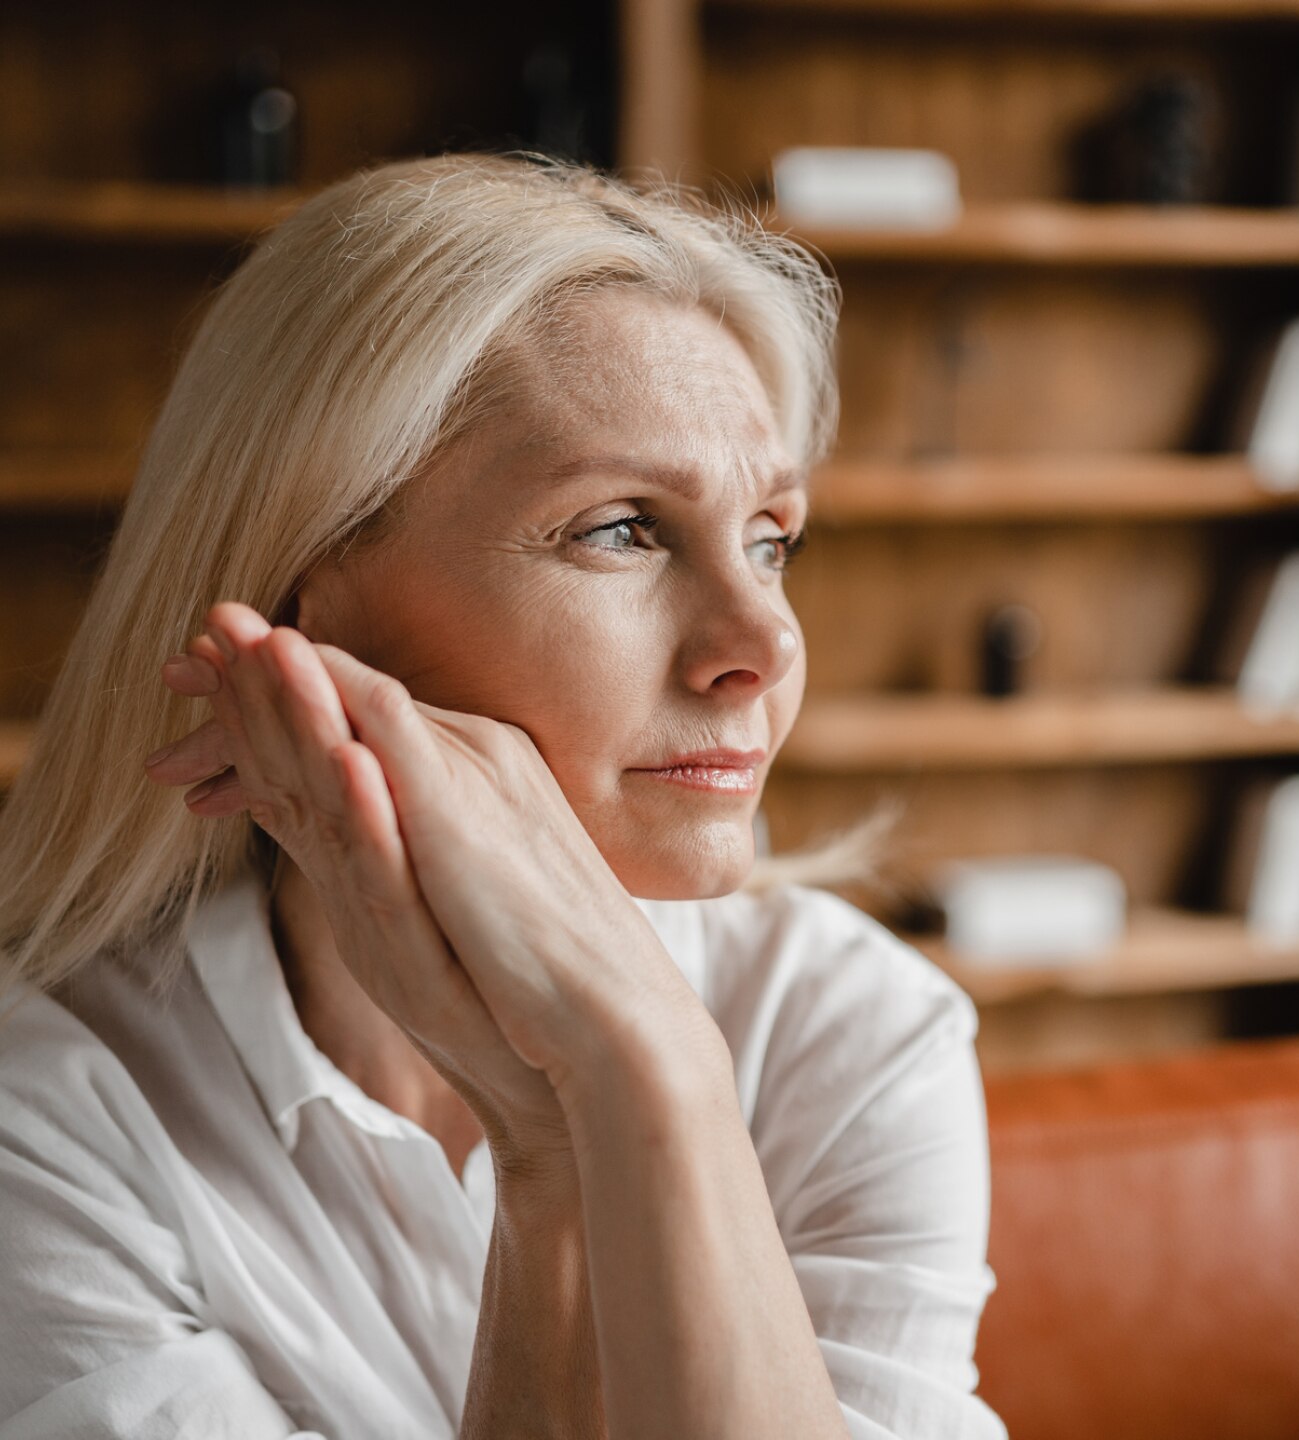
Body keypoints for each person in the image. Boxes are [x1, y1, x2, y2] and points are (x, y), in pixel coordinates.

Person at [0, 152, 1003, 1439]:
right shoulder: (49, 1123)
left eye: (772, 537)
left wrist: (657, 1073)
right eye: (621, 529)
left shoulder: (852, 1033)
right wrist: (561, 1149)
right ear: (306, 612)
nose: (762, 642)